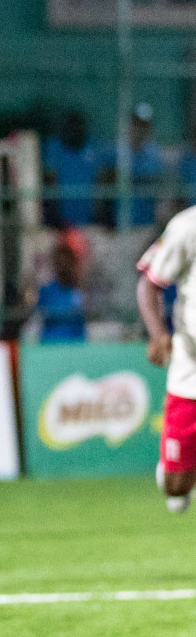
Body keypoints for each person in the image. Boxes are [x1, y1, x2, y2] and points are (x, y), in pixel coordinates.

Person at [136, 203, 196, 514]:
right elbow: (150, 284)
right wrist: (158, 334)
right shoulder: (188, 227)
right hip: (191, 375)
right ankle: (177, 472)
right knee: (176, 489)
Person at [41, 110, 107, 229]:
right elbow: (50, 182)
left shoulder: (92, 150)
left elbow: (99, 183)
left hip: (88, 219)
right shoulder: (54, 149)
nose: (74, 131)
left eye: (77, 127)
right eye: (70, 127)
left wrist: (99, 214)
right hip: (62, 222)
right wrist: (54, 217)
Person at [33, 243, 87, 344]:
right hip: (51, 345)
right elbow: (37, 315)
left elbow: (82, 319)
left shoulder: (79, 291)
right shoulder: (45, 291)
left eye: (66, 262)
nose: (63, 266)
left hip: (74, 344)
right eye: (60, 262)